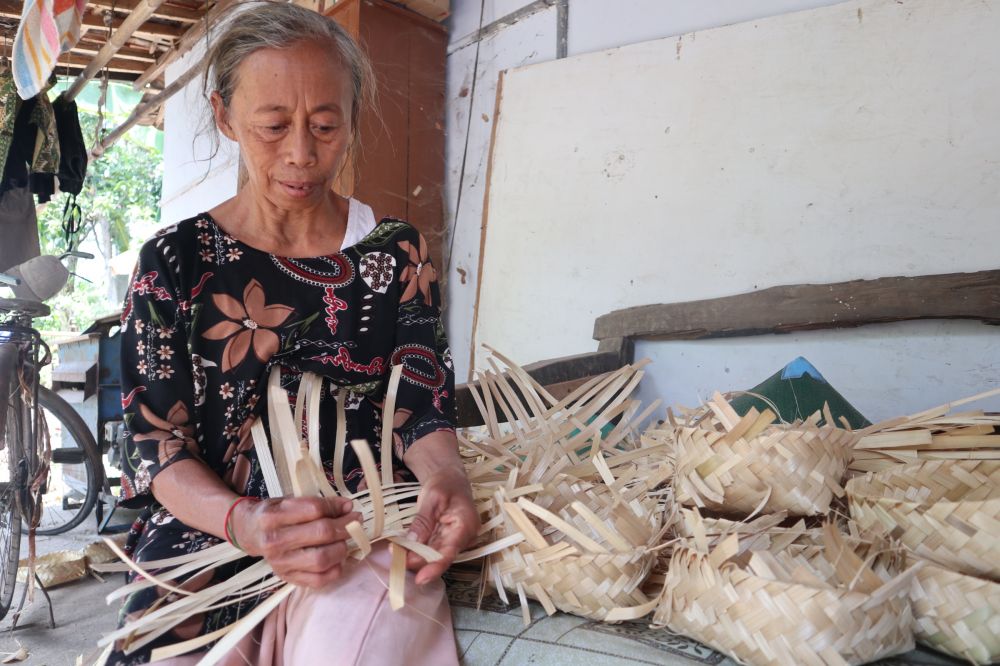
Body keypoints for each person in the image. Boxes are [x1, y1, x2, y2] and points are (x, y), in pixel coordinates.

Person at [111, 4, 478, 664]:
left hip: (363, 536)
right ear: (224, 117)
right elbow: (157, 449)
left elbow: (423, 411)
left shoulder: (394, 254)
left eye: (326, 126)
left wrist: (446, 476)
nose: (303, 155)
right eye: (274, 126)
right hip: (211, 535)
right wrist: (245, 523)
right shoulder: (173, 265)